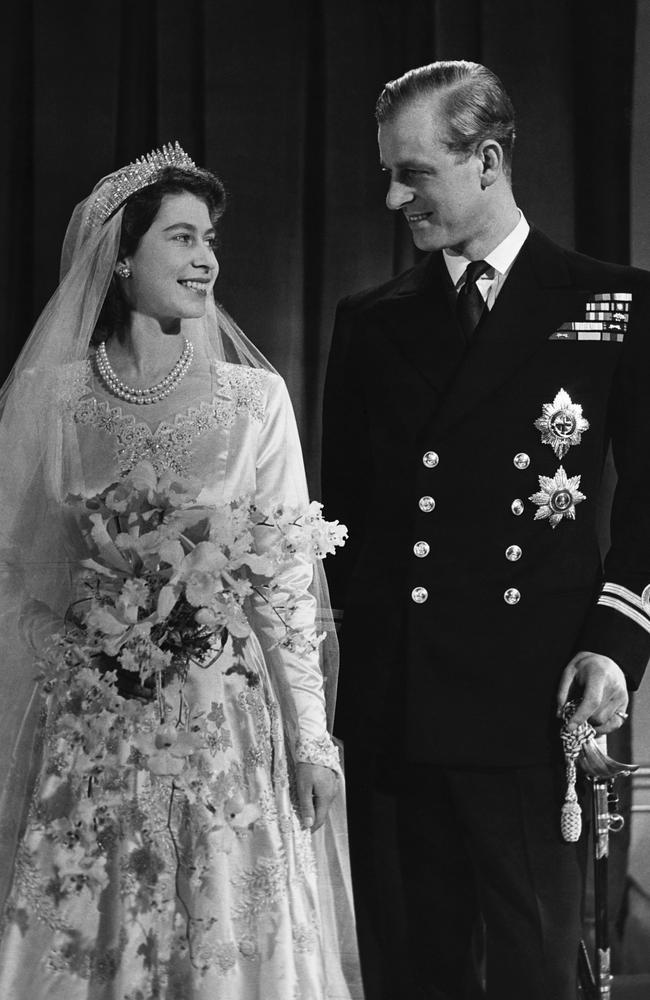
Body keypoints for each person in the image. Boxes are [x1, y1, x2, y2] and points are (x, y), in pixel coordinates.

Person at [0, 142, 363, 999]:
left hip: (220, 724)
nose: (207, 259)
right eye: (182, 238)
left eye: (211, 240)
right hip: (94, 725)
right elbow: (17, 568)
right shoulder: (53, 400)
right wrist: (69, 656)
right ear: (120, 257)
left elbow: (284, 588)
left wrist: (311, 740)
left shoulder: (253, 402)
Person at [321, 60, 650, 1000]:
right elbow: (338, 525)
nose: (393, 196)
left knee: (537, 969)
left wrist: (617, 645)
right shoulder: (372, 322)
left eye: (414, 172)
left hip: (530, 699)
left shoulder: (610, 303)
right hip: (399, 705)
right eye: (390, 172)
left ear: (490, 159)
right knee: (414, 972)